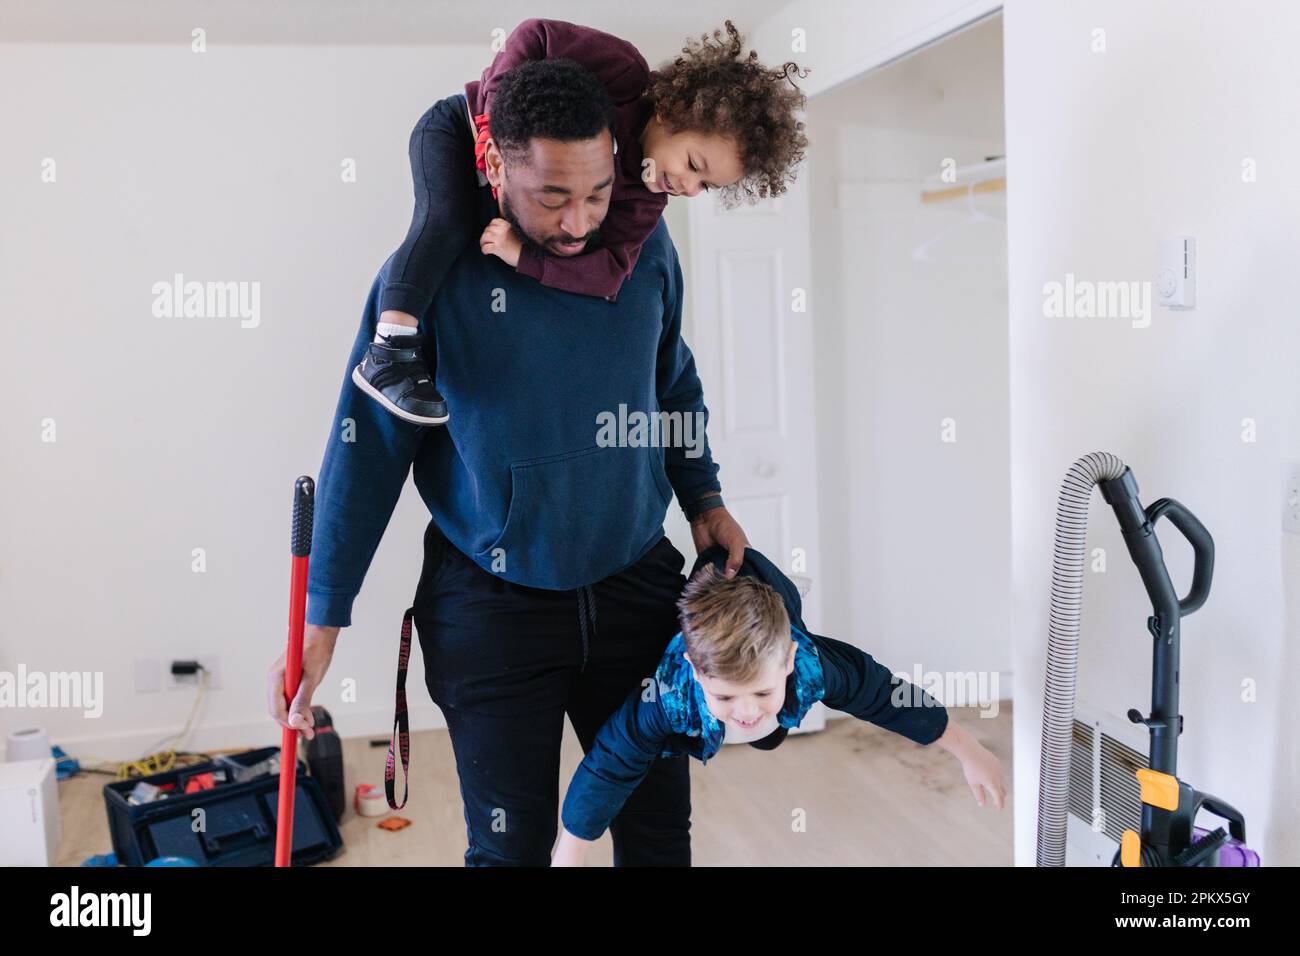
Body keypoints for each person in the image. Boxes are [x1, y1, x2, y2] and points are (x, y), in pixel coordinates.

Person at [268, 58, 751, 866]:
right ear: (493, 169)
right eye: (552, 197)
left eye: (597, 192)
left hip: (634, 583)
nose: (577, 224)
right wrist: (324, 616)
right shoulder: (426, 279)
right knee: (511, 848)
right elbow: (367, 446)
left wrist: (703, 498)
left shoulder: (640, 246)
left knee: (660, 833)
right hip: (491, 606)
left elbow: (672, 381)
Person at [352, 17, 808, 425]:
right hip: (463, 128)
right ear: (674, 112)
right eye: (693, 163)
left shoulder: (644, 204)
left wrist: (526, 258)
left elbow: (609, 273)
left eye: (705, 186)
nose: (689, 186)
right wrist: (493, 124)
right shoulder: (625, 71)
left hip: (512, 194)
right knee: (445, 221)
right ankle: (389, 350)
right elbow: (534, 35)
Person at [551, 546, 1008, 866]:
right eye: (726, 695)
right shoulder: (669, 692)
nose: (747, 711)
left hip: (773, 605)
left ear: (790, 659)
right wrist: (570, 850)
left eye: (762, 693)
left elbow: (887, 696)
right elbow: (609, 763)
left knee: (769, 734)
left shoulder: (813, 665)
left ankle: (786, 596)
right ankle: (723, 647)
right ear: (692, 669)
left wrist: (969, 750)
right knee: (664, 736)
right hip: (699, 642)